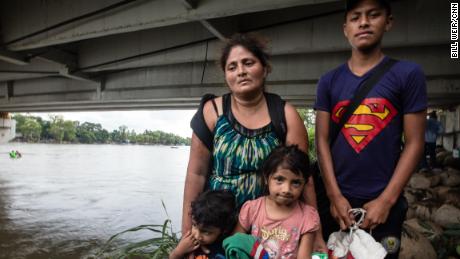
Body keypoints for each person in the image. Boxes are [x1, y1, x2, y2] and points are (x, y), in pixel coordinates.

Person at [182, 33, 326, 252]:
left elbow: (303, 177)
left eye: (248, 63)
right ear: (226, 75)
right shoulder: (212, 112)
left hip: (271, 230)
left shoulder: (285, 114)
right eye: (232, 67)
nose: (241, 71)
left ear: (265, 68)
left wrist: (316, 234)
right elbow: (196, 174)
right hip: (216, 226)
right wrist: (189, 236)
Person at [314, 0, 427, 258]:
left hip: (383, 204)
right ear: (345, 28)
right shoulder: (328, 81)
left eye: (373, 15)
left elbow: (415, 142)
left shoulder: (408, 74)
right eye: (355, 17)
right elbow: (321, 141)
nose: (363, 22)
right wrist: (334, 197)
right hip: (337, 205)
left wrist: (386, 201)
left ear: (388, 22)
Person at [233, 145, 320, 258]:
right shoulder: (252, 209)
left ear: (304, 183)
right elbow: (235, 244)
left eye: (296, 182)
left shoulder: (307, 217)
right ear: (266, 178)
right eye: (279, 179)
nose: (286, 190)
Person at [170, 190, 236, 259]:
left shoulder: (225, 250)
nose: (197, 236)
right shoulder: (188, 245)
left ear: (223, 230)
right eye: (194, 225)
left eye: (206, 232)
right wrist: (178, 252)